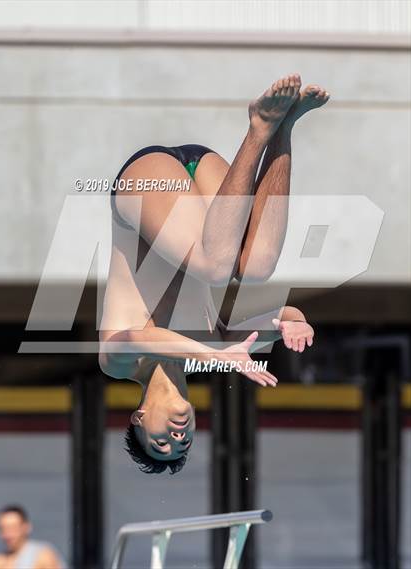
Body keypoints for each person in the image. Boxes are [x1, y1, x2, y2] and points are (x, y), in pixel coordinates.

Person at [99, 74, 329, 473]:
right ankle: (283, 129)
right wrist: (296, 323)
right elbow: (281, 316)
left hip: (145, 180)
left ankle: (258, 127)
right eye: (183, 442)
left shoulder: (119, 365)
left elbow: (141, 336)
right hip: (204, 177)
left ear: (139, 418)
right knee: (256, 266)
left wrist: (218, 354)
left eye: (161, 441)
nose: (177, 435)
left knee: (217, 267)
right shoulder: (216, 349)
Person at [0, 505, 64, 569]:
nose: (8, 534)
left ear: (26, 527)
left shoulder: (42, 555)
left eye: (12, 528)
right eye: (3, 529)